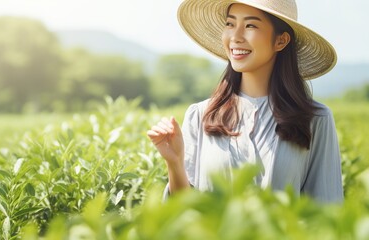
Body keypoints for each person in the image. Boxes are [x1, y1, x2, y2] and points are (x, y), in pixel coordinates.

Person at [147, 0, 343, 203]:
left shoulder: (315, 120)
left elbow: (327, 209)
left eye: (250, 25)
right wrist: (175, 163)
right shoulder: (200, 115)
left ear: (281, 41)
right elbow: (183, 213)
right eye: (230, 24)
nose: (235, 37)